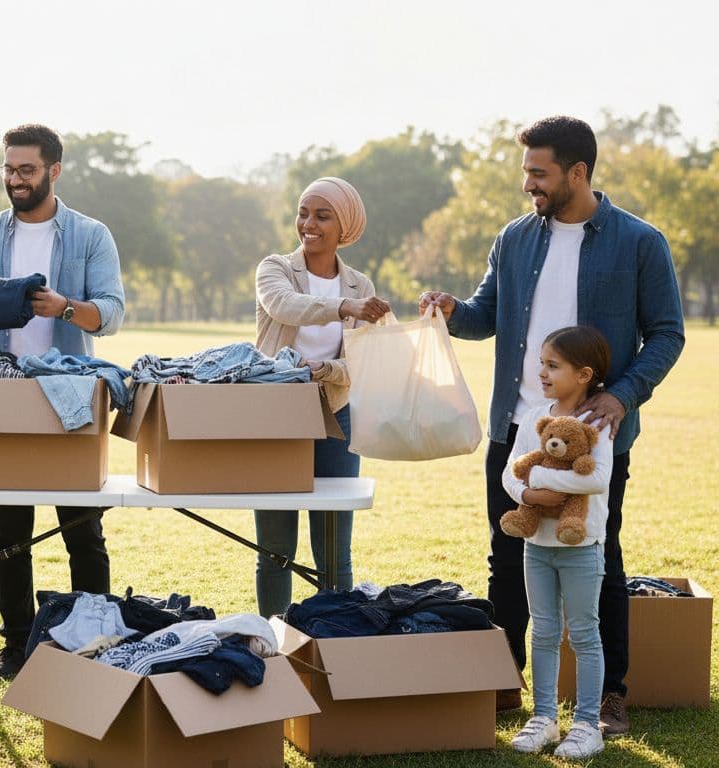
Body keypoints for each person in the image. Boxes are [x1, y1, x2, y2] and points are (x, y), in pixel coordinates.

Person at [419, 116, 685, 732]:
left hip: (595, 438)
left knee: (600, 556)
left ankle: (609, 695)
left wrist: (622, 395)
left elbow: (667, 333)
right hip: (516, 433)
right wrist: (453, 310)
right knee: (505, 557)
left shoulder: (641, 242)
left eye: (538, 173)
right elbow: (486, 314)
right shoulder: (514, 238)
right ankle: (502, 684)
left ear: (578, 171)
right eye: (526, 173)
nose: (529, 185)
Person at [0, 123, 126, 680]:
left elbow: (111, 313)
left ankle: (95, 639)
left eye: (26, 170)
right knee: (9, 532)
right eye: (8, 169)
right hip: (1, 393)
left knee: (82, 529)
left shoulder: (91, 235)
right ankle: (16, 647)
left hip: (69, 392)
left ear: (53, 171)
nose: (15, 180)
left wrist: (63, 307)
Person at [252, 177, 390, 617]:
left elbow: (361, 365)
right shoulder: (275, 268)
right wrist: (343, 309)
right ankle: (273, 640)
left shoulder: (359, 285)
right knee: (275, 551)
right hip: (275, 417)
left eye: (322, 216)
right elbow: (285, 306)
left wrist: (323, 370)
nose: (308, 224)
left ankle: (333, 638)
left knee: (334, 551)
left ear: (343, 226)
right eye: (303, 213)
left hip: (337, 415)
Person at [505, 326, 613, 759]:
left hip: (582, 547)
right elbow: (511, 471)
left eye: (553, 365)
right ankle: (545, 718)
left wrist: (538, 478)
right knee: (544, 631)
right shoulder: (535, 415)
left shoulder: (597, 422)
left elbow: (599, 478)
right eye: (542, 363)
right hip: (537, 544)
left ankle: (588, 724)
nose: (543, 372)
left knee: (584, 634)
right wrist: (528, 494)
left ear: (584, 374)